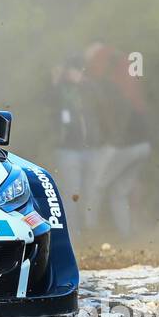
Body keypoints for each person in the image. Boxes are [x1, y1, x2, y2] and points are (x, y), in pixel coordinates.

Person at [84, 44, 151, 238]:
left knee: (96, 185)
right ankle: (127, 234)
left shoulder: (109, 86)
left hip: (123, 145)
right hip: (143, 144)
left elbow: (111, 118)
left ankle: (90, 231)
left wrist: (110, 140)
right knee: (120, 192)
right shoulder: (132, 84)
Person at [50, 54, 106, 232]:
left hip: (91, 148)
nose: (73, 74)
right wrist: (55, 81)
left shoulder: (88, 89)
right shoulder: (59, 89)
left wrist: (84, 82)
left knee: (92, 194)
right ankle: (73, 234)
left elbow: (101, 101)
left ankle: (91, 230)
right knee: (72, 194)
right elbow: (49, 103)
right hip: (68, 150)